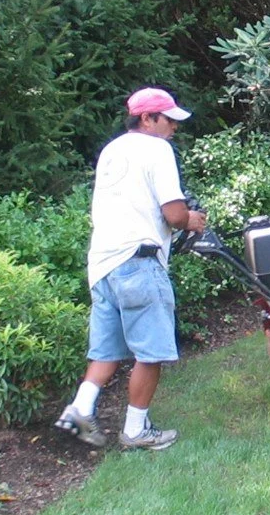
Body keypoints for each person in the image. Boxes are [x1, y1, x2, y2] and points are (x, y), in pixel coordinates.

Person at [55, 87, 206, 451]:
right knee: (151, 352)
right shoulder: (156, 149)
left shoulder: (112, 150)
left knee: (106, 351)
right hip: (139, 263)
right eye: (168, 119)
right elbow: (173, 214)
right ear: (147, 119)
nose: (174, 127)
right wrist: (192, 220)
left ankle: (80, 408)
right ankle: (137, 431)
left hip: (104, 263)